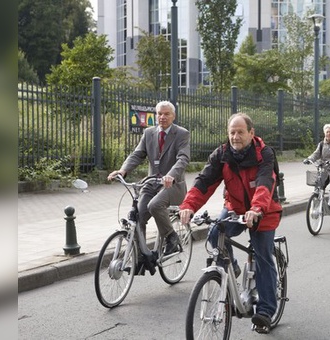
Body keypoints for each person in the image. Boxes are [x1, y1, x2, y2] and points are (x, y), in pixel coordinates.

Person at [179, 113, 282, 333]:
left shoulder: (264, 154)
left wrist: (256, 209)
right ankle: (231, 269)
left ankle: (265, 310)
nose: (235, 137)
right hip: (235, 208)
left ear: (251, 133)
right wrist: (188, 206)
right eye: (232, 132)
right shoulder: (222, 154)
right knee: (216, 235)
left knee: (263, 256)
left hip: (263, 211)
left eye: (240, 132)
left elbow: (265, 183)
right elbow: (204, 182)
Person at [107, 100, 190, 262]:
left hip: (172, 185)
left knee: (154, 205)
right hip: (151, 183)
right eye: (159, 113)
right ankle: (141, 256)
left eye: (166, 114)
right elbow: (137, 154)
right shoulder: (149, 133)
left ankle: (171, 238)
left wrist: (171, 174)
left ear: (173, 116)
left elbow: (183, 158)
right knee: (138, 215)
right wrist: (123, 170)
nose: (162, 117)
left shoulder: (182, 134)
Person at [303, 123, 330, 215]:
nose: (328, 134)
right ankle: (315, 207)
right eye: (327, 132)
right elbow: (316, 154)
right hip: (325, 169)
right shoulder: (321, 144)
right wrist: (309, 159)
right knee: (318, 185)